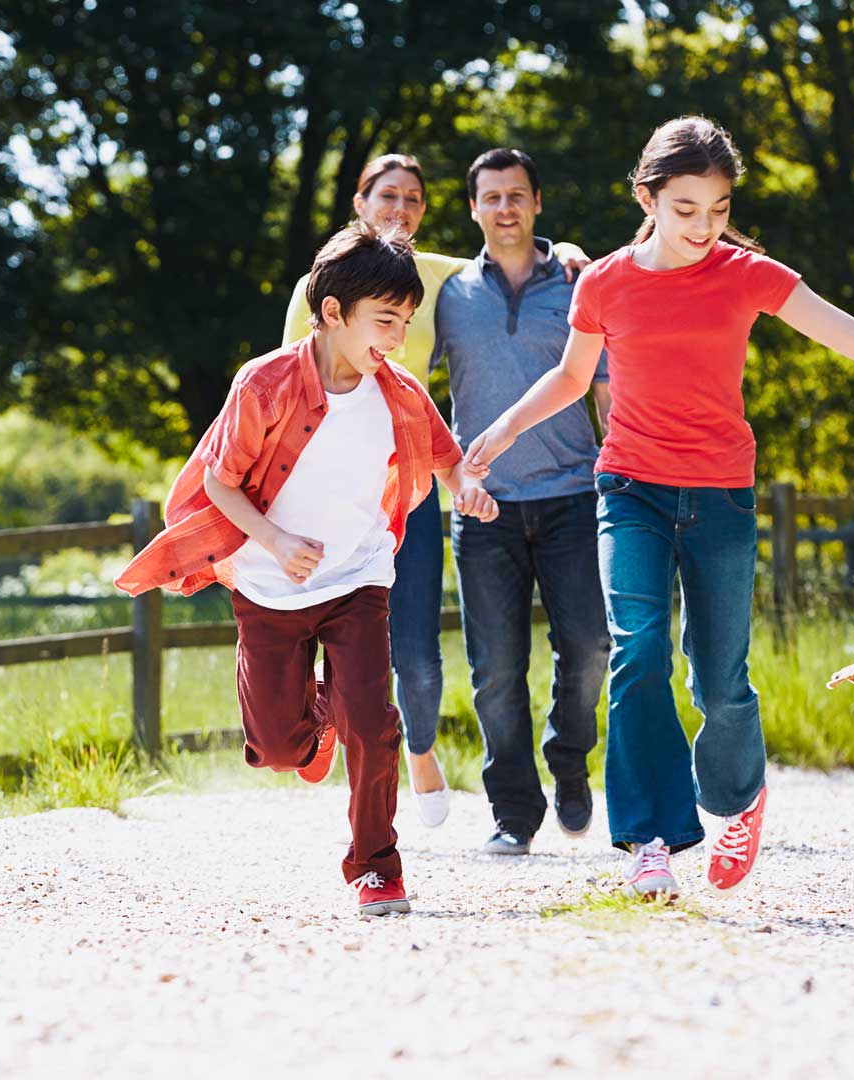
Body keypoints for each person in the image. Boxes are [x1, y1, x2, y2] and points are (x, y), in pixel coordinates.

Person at [465, 116, 854, 899]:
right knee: (637, 653)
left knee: (721, 682)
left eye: (719, 208)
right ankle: (649, 840)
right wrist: (502, 431)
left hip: (720, 497)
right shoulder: (603, 282)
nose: (705, 226)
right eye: (686, 209)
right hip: (629, 488)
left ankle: (738, 800)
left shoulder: (747, 275)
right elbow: (572, 378)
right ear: (647, 198)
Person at [120, 219, 499, 917]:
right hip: (269, 583)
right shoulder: (264, 384)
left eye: (406, 321)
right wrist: (273, 540)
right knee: (275, 747)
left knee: (373, 722)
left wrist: (468, 489)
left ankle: (376, 866)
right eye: (385, 320)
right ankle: (317, 718)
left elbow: (447, 460)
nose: (398, 338)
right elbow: (220, 482)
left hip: (358, 578)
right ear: (333, 311)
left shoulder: (400, 392)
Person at [281, 154, 588, 827]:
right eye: (387, 195)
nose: (400, 208)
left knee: (420, 661)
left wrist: (566, 249)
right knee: (320, 631)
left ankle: (420, 751)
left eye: (413, 199)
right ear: (360, 202)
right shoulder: (319, 286)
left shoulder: (442, 278)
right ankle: (323, 726)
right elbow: (288, 382)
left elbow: (513, 255)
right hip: (329, 494)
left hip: (410, 489)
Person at [431, 148, 612, 856]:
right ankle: (513, 811)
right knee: (496, 672)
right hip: (484, 506)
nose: (504, 208)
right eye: (491, 197)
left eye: (516, 195)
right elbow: (402, 378)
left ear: (537, 202)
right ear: (473, 208)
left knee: (590, 647)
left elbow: (608, 389)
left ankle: (569, 758)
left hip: (573, 495)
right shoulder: (448, 295)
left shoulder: (577, 282)